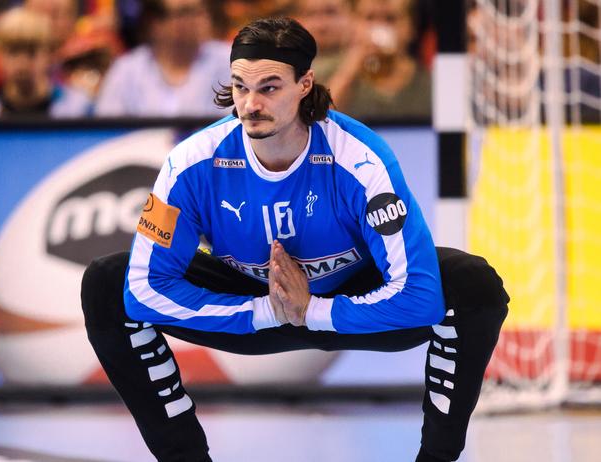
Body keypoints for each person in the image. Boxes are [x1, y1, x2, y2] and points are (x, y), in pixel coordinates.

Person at [81, 16, 509, 462]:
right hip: (252, 302)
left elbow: (418, 297)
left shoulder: (362, 160)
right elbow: (143, 290)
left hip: (352, 300)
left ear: (305, 84)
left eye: (269, 87)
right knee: (107, 284)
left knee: (473, 285)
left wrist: (313, 310)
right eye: (240, 87)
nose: (250, 104)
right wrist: (268, 310)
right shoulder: (188, 164)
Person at [93, 0, 231, 118]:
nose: (198, 20)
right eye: (185, 12)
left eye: (200, 11)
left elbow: (237, 126)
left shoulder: (229, 61)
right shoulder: (127, 69)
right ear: (155, 23)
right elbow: (106, 132)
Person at [0, 7, 90, 119]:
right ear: (0, 55)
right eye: (13, 51)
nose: (22, 62)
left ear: (49, 55)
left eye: (31, 52)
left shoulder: (77, 109)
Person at [327, 0, 431, 120]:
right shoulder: (326, 75)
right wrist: (348, 72)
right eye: (369, 18)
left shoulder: (430, 83)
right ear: (352, 24)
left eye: (390, 19)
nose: (379, 28)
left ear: (411, 27)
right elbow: (318, 125)